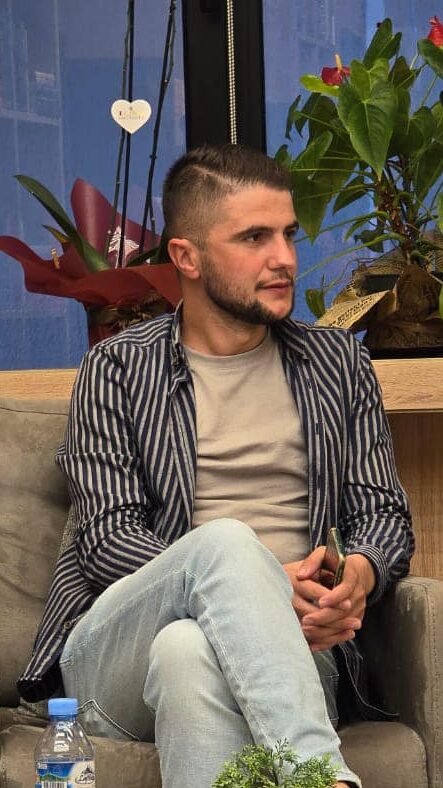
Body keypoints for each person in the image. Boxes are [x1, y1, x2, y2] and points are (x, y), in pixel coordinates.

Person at [19, 144, 414, 788]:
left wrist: (358, 576)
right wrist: (251, 578)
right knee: (226, 547)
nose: (284, 258)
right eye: (255, 238)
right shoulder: (117, 368)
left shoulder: (339, 365)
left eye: (288, 234)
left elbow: (383, 514)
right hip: (119, 657)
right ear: (187, 257)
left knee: (188, 652)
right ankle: (319, 775)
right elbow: (107, 539)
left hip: (293, 651)